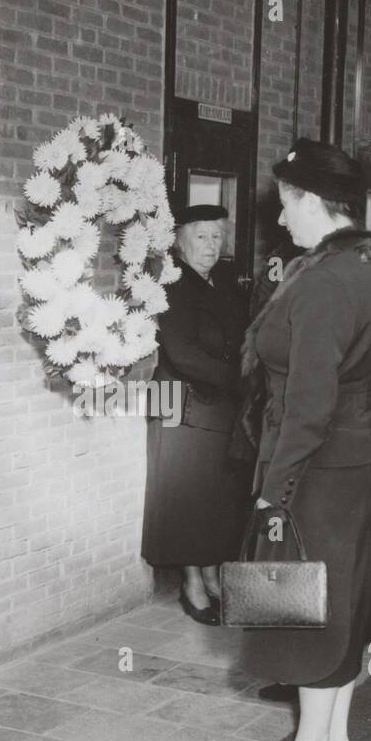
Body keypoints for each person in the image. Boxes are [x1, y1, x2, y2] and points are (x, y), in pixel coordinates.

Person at [238, 138, 371, 741]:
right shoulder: (363, 268)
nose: (280, 218)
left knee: (300, 609)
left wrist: (273, 493)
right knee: (338, 604)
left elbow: (308, 406)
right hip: (352, 463)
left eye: (287, 203)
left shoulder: (328, 282)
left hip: (315, 468)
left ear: (317, 201)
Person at [141, 204, 250, 625]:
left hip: (220, 404)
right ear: (181, 241)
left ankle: (212, 574)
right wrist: (241, 381)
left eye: (216, 237)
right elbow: (182, 353)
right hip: (181, 403)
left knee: (217, 497)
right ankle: (192, 584)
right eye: (201, 237)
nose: (210, 245)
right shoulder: (171, 283)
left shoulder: (224, 281)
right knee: (189, 499)